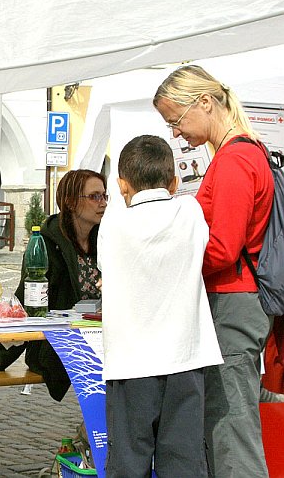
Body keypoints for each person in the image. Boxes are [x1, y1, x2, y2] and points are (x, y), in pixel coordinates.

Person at [154, 64, 274, 477]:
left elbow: (222, 248)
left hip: (233, 301)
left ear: (204, 102)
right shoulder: (240, 153)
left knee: (231, 429)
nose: (175, 133)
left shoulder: (236, 159)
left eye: (176, 120)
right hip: (234, 301)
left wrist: (169, 263)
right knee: (226, 425)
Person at [98, 134, 222, 477]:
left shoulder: (113, 223)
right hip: (185, 357)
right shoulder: (189, 211)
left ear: (122, 185)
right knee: (184, 461)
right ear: (174, 181)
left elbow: (106, 265)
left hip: (131, 362)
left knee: (128, 460)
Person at [0, 169, 106, 401]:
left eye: (105, 196)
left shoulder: (105, 240)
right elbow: (27, 301)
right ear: (71, 202)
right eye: (94, 196)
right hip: (62, 347)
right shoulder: (46, 245)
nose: (102, 203)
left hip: (102, 340)